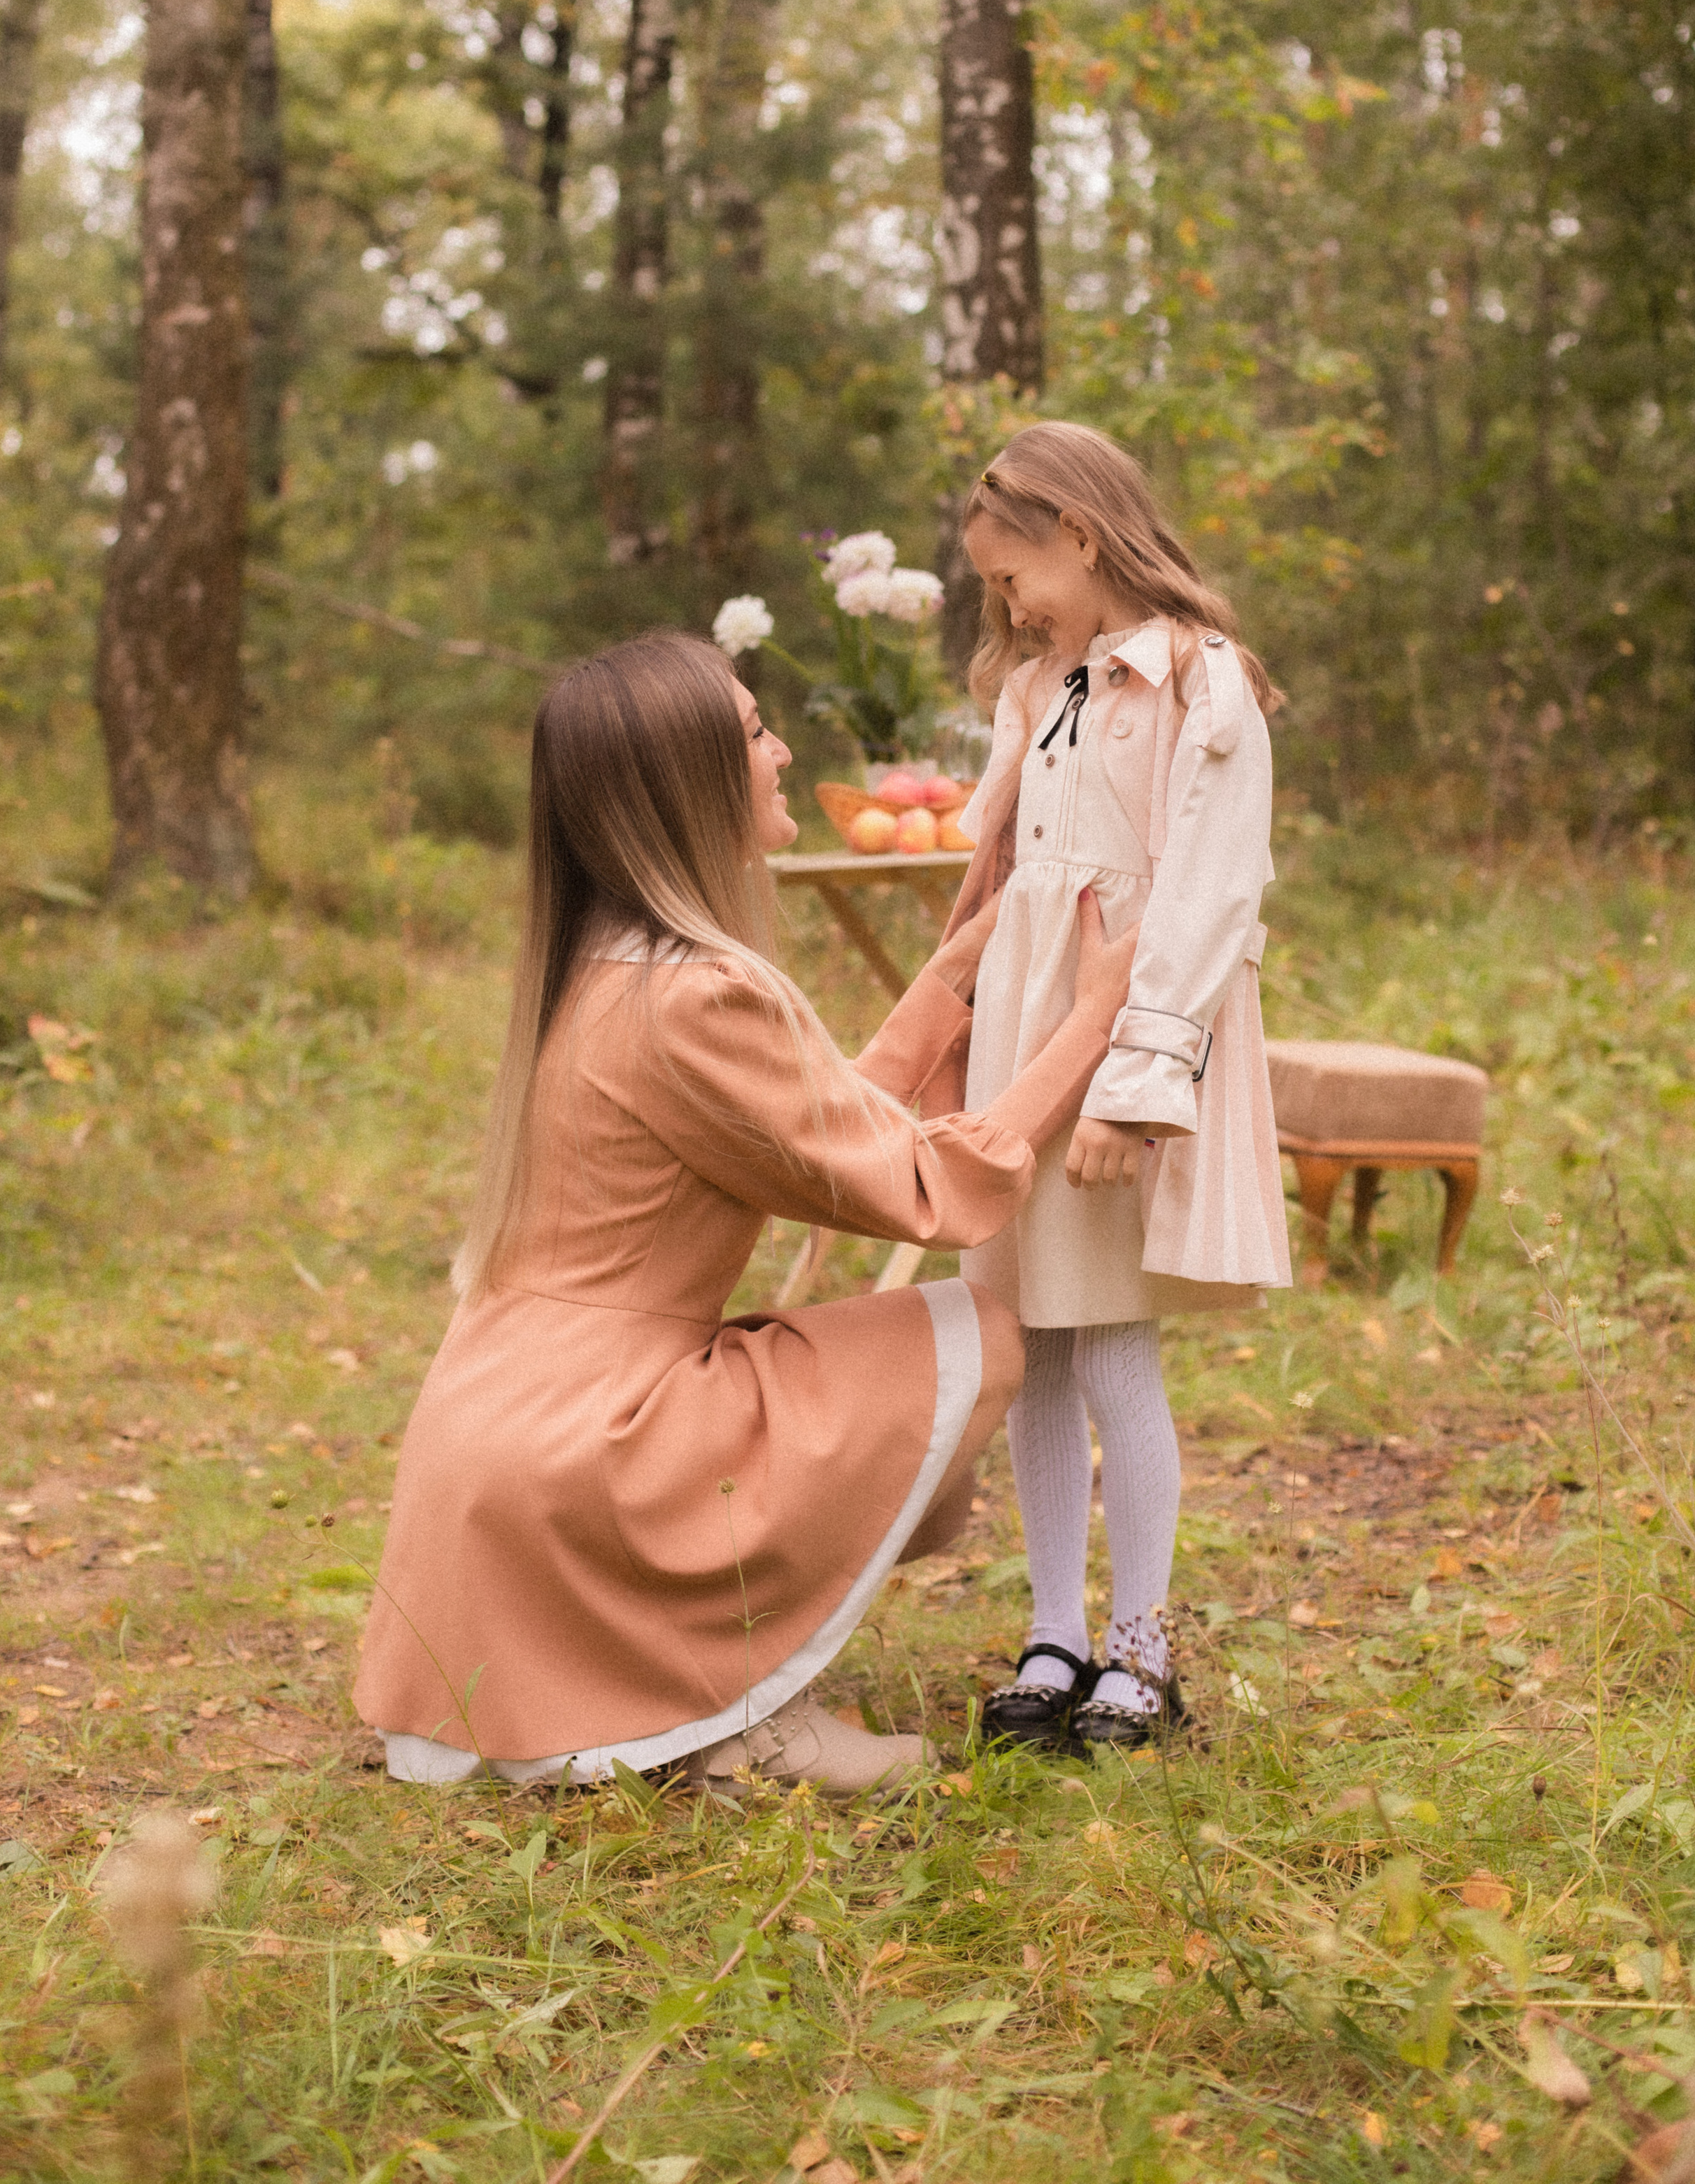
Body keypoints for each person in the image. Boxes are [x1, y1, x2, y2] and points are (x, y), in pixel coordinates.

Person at [352, 631, 1134, 1797]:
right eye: (757, 733)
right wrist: (1096, 1021)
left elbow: (815, 1128)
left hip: (500, 1436)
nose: (782, 754)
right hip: (590, 1446)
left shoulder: (611, 968)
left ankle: (699, 1696)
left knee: (896, 1376)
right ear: (692, 784)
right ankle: (738, 1711)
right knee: (975, 1337)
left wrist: (951, 975)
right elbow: (931, 1192)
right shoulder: (698, 994)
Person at [944, 422, 1291, 1753]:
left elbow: (1209, 896)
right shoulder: (1039, 688)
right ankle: (1055, 1634)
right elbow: (1005, 878)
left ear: (1082, 537)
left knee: (1111, 1343)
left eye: (1014, 577)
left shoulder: (1205, 683)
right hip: (1023, 1038)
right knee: (1029, 1338)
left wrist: (1134, 1084)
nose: (1008, 608)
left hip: (1118, 1039)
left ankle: (1142, 1646)